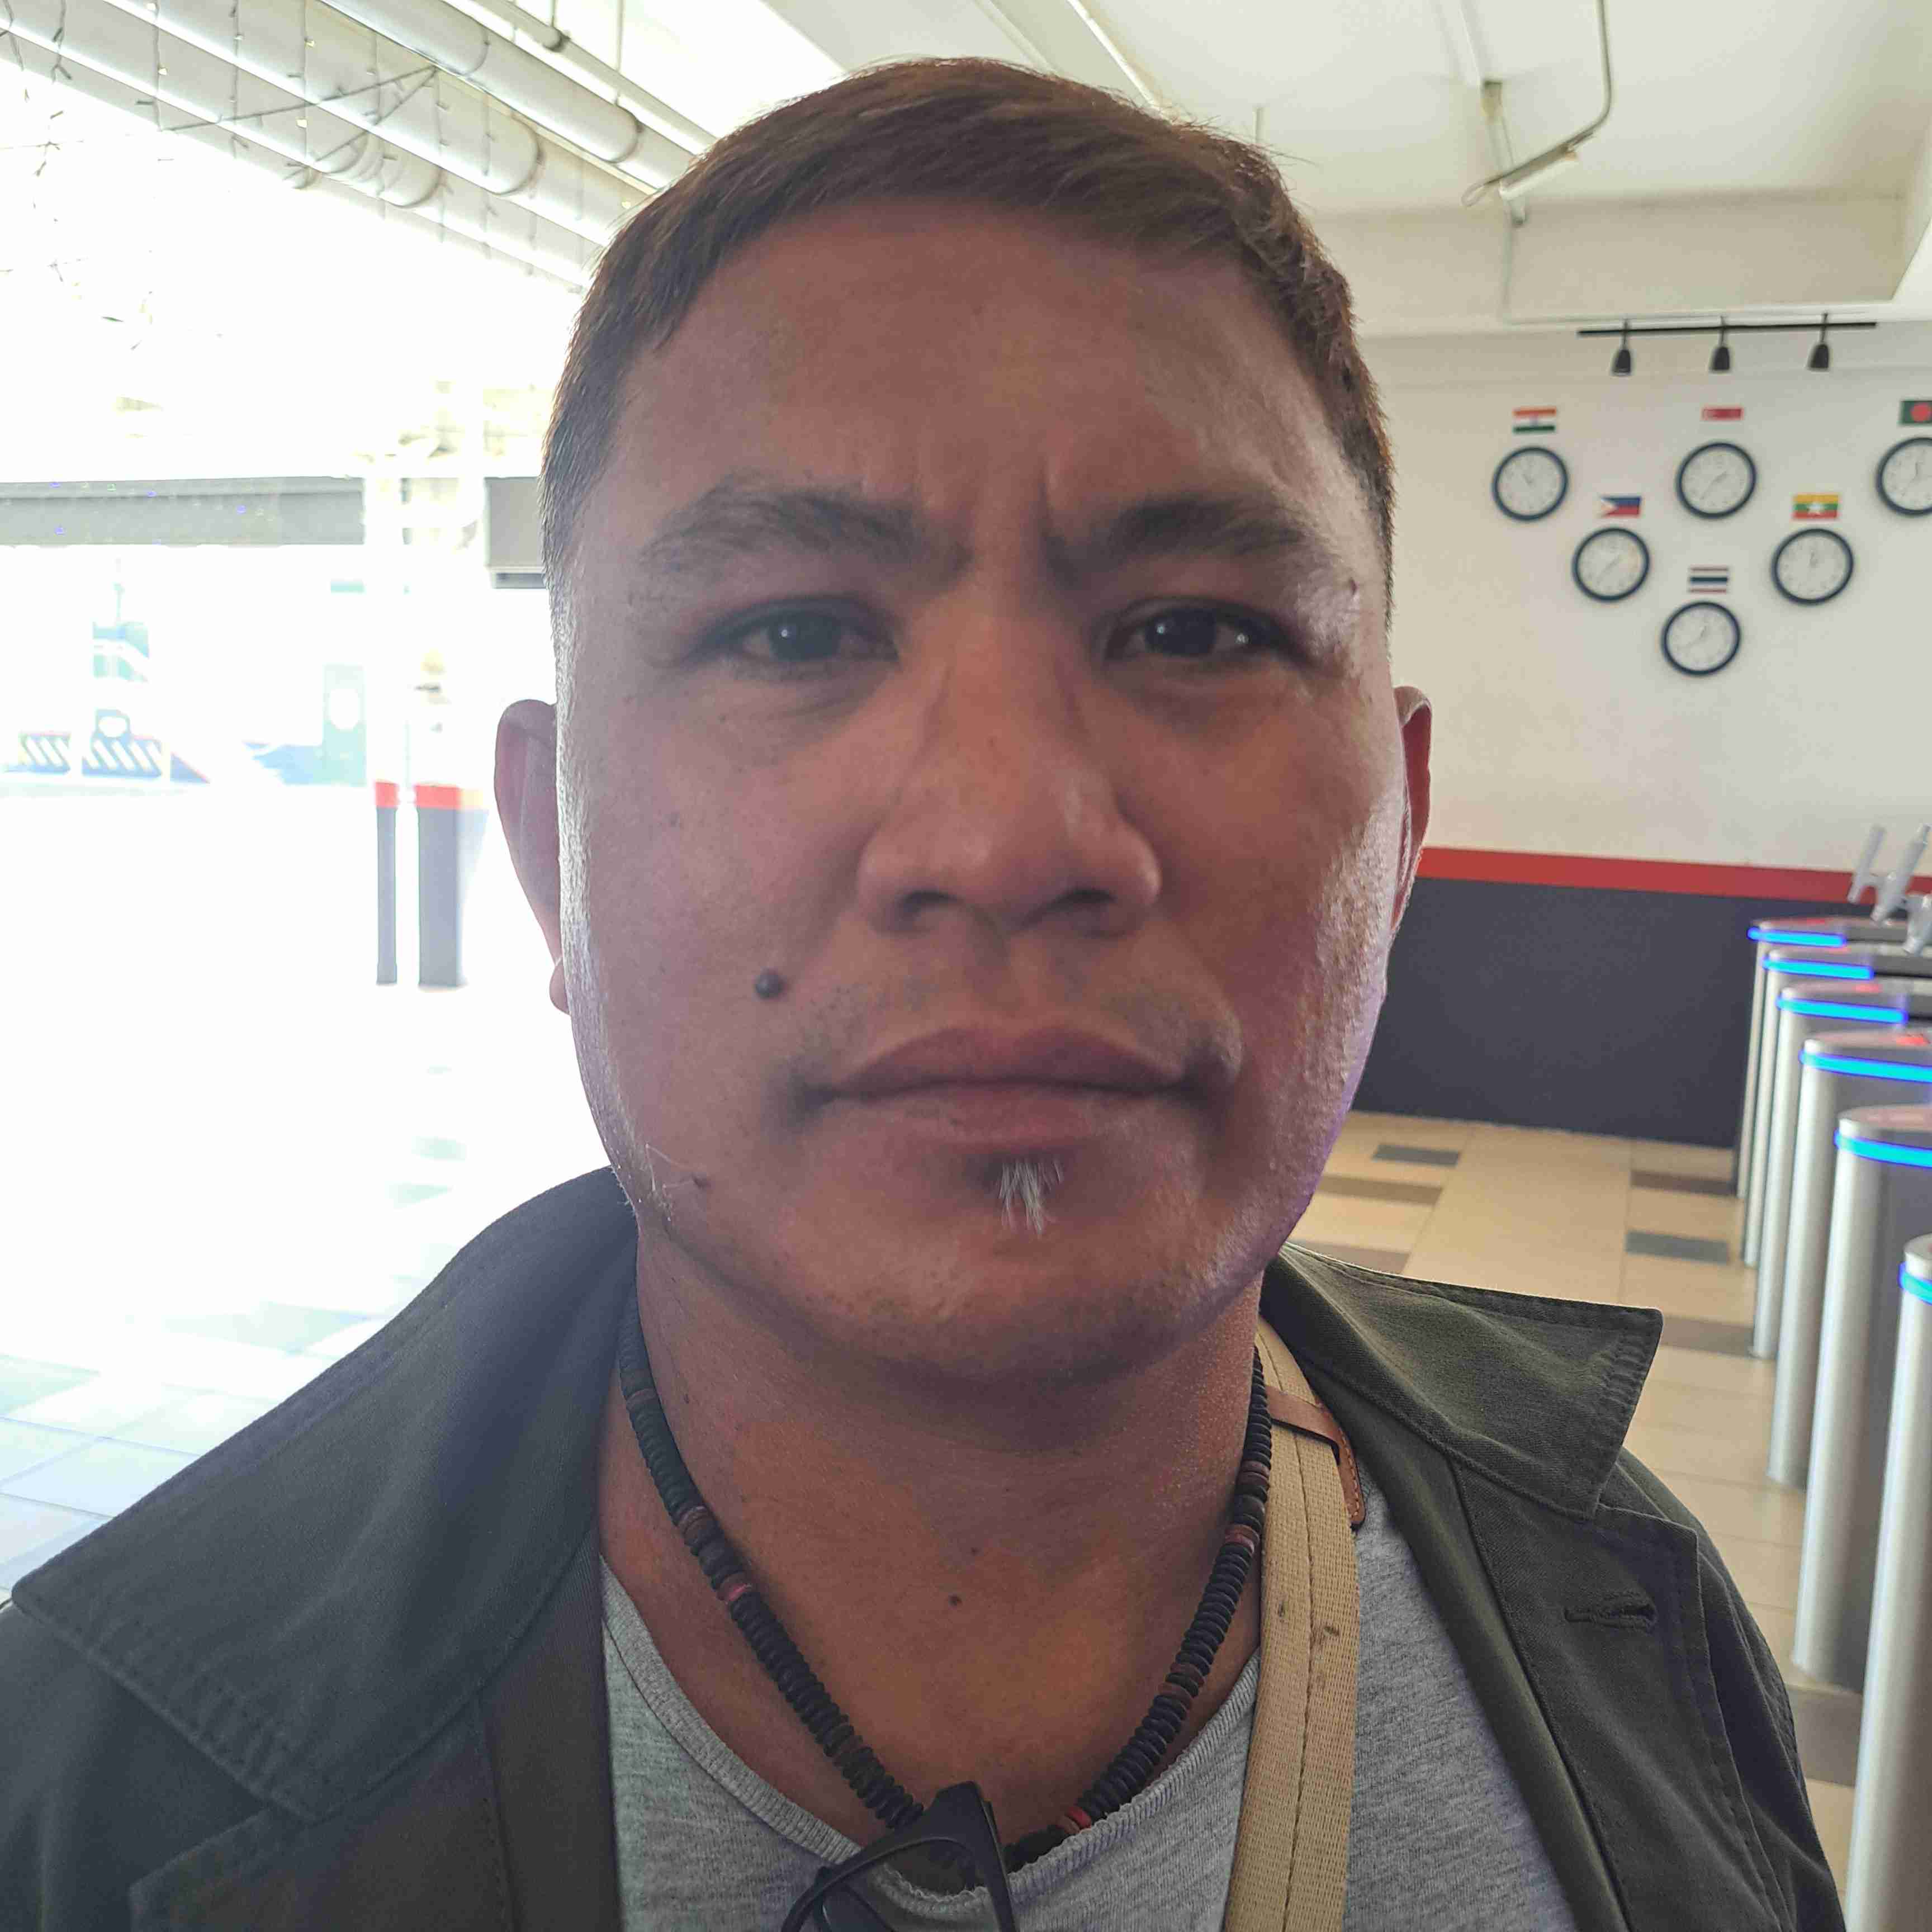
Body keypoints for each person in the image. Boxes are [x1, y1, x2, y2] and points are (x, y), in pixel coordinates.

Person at [1, 59, 1839, 1932]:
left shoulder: (1637, 1626)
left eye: (1196, 630)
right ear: (553, 851)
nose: (1010, 833)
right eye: (793, 631)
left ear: (1403, 825)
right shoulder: (98, 1789)